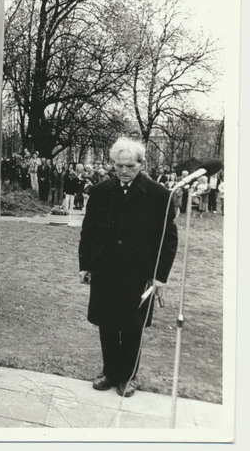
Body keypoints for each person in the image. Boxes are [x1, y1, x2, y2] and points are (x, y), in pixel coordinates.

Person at [79, 137, 177, 397]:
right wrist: (85, 265)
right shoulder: (100, 192)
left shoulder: (159, 195)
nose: (124, 171)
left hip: (139, 274)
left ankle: (129, 377)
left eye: (130, 166)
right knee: (107, 323)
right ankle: (110, 373)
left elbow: (169, 239)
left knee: (132, 326)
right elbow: (88, 231)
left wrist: (159, 277)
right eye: (119, 165)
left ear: (141, 165)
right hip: (105, 271)